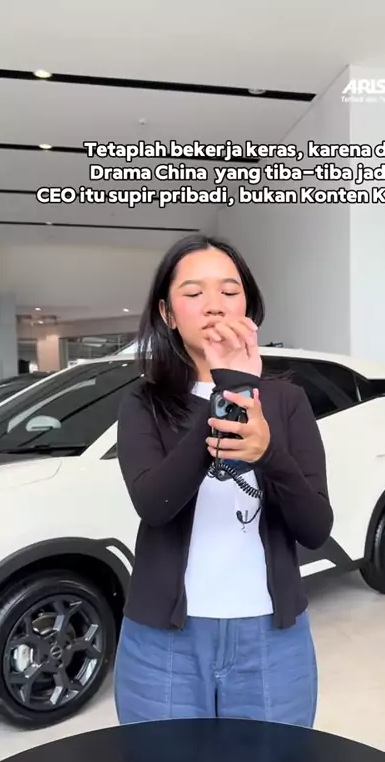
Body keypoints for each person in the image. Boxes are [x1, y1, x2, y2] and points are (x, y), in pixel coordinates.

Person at [114, 234, 334, 727]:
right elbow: (155, 504)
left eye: (230, 291)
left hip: (272, 640)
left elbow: (316, 528)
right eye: (194, 293)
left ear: (247, 307)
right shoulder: (144, 403)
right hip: (162, 643)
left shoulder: (287, 402)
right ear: (168, 314)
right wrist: (230, 390)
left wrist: (268, 452)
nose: (214, 305)